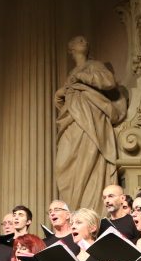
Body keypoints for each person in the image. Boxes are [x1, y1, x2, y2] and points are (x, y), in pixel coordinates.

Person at [54, 36, 127, 212]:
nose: (84, 41)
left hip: (90, 121)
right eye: (79, 40)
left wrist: (82, 76)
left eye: (85, 40)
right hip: (71, 122)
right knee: (63, 165)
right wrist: (60, 94)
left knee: (88, 162)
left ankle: (88, 209)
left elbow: (109, 82)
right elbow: (63, 101)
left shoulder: (94, 66)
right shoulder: (71, 74)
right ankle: (72, 208)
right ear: (71, 49)